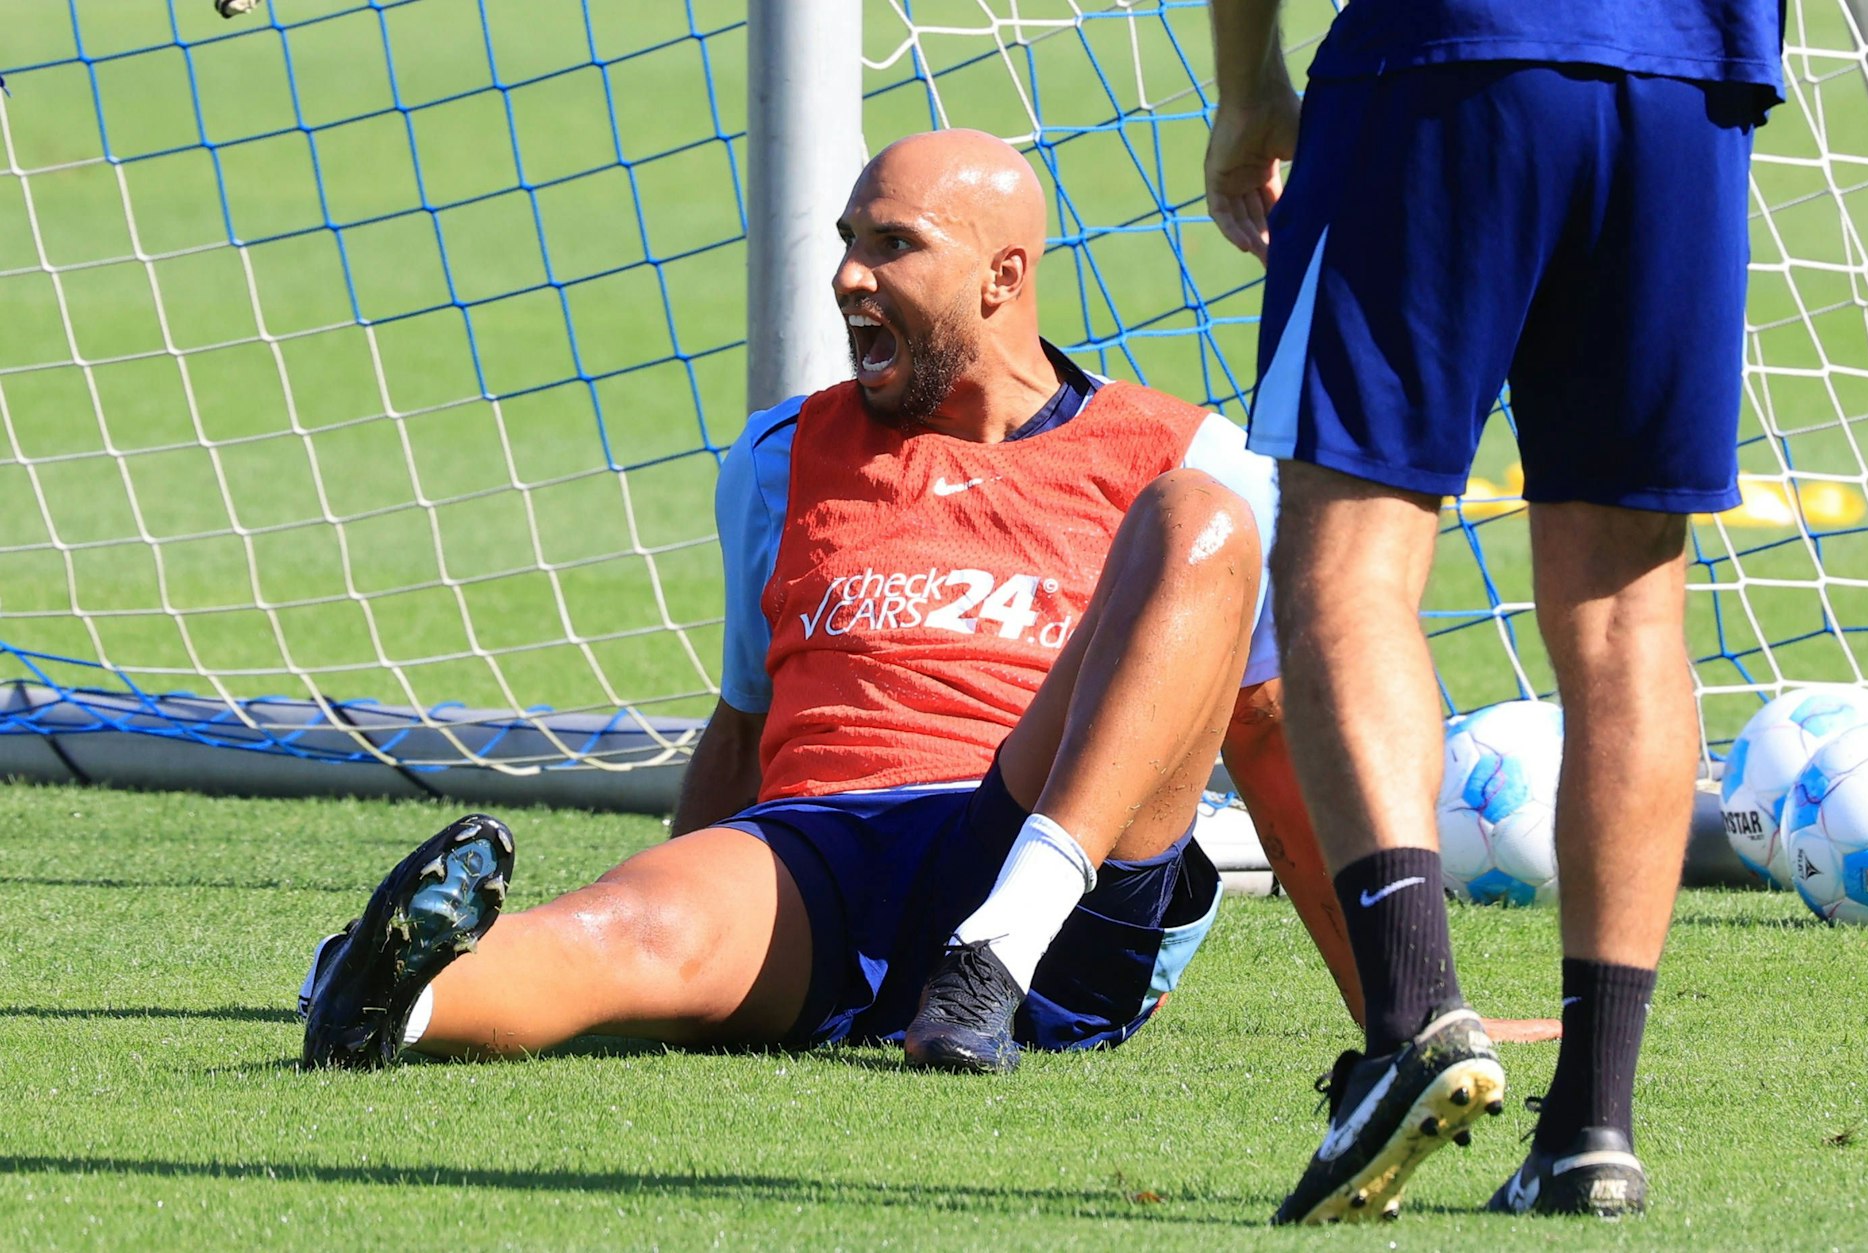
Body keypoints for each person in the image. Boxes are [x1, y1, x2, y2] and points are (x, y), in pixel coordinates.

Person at [300, 128, 1290, 1072]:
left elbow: (1266, 732)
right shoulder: (777, 455)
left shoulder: (1190, 453)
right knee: (628, 931)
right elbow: (742, 727)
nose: (849, 276)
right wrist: (692, 914)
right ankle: (388, 994)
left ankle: (994, 947)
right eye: (847, 243)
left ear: (1003, 277)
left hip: (1047, 866)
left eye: (893, 244)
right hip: (822, 852)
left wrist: (1389, 999)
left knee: (1193, 520)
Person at [1203, 0, 1784, 1225]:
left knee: (1345, 557)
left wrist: (1247, 86)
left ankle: (1414, 1014)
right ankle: (1588, 1127)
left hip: (1443, 62)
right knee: (1629, 609)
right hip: (1691, 87)